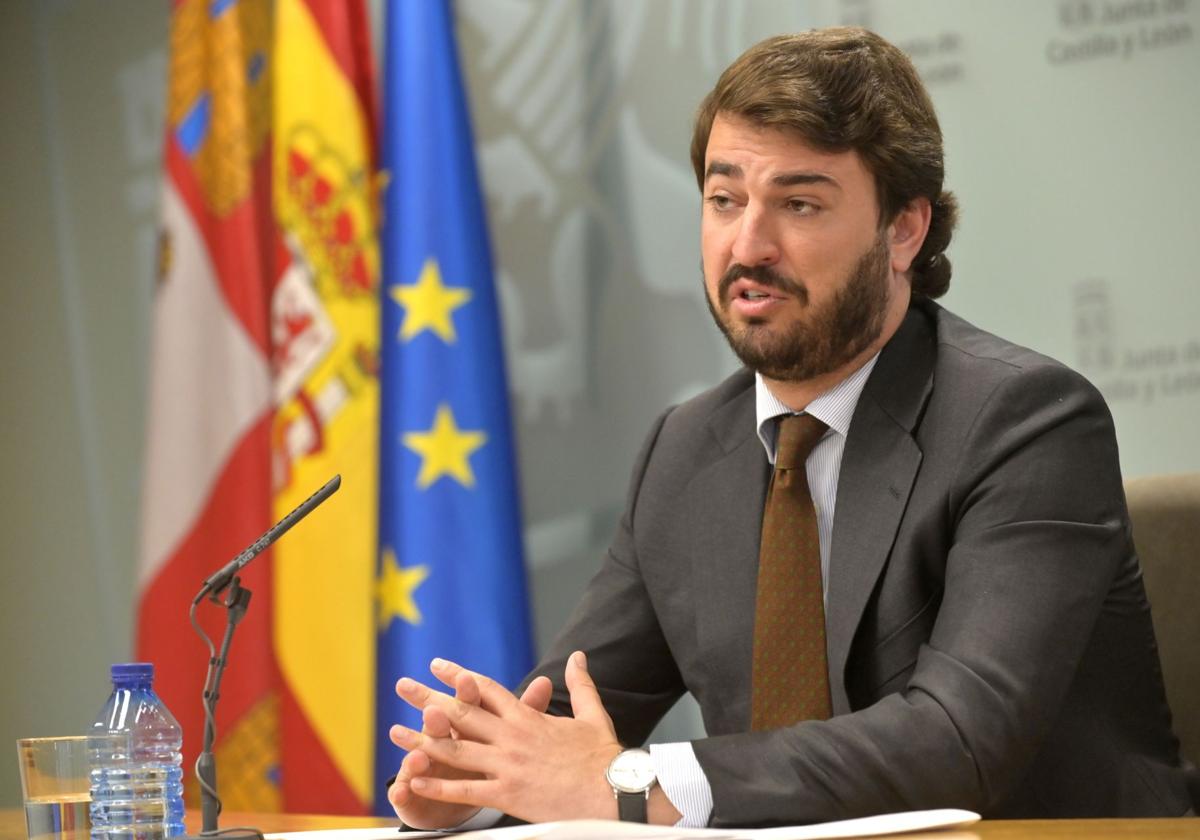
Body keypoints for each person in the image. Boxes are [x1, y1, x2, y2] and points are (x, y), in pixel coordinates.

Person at [384, 27, 1196, 828]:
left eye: (799, 204)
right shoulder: (686, 449)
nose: (748, 244)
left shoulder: (1027, 422)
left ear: (905, 228)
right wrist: (477, 784)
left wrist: (630, 781)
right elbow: (564, 716)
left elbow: (959, 741)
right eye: (723, 198)